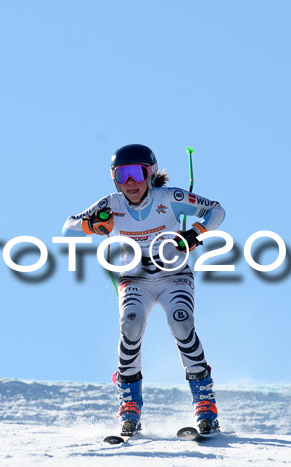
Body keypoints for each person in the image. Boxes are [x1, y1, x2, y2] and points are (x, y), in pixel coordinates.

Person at [62, 144, 226, 436]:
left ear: (150, 173)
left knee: (181, 321)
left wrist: (195, 233)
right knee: (131, 323)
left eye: (136, 173)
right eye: (121, 175)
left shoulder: (170, 197)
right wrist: (94, 226)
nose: (130, 182)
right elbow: (68, 227)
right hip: (134, 278)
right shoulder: (111, 204)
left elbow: (216, 210)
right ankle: (130, 406)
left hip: (173, 274)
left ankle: (205, 404)